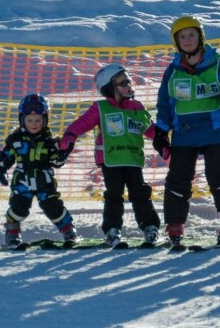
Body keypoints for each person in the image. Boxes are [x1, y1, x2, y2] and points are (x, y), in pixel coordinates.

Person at [155, 16, 220, 246]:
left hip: (215, 129)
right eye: (182, 37)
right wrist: (161, 130)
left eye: (191, 35)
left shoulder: (219, 63)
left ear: (201, 37)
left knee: (218, 175)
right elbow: (165, 102)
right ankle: (174, 226)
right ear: (176, 42)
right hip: (184, 132)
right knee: (178, 178)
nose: (187, 40)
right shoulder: (173, 70)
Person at [58, 64, 164, 248]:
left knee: (140, 194)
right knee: (114, 195)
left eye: (128, 80)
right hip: (111, 160)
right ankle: (112, 230)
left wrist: (165, 144)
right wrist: (70, 136)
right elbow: (83, 123)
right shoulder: (101, 108)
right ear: (109, 88)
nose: (128, 85)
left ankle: (151, 227)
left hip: (132, 160)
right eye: (122, 83)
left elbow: (151, 130)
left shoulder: (137, 108)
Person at [0, 93, 77, 248]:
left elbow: (56, 162)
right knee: (19, 208)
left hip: (44, 180)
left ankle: (69, 232)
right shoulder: (15, 140)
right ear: (22, 120)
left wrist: (63, 153)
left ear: (44, 120)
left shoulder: (49, 141)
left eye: (38, 120)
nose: (34, 124)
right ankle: (12, 234)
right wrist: (1, 168)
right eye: (30, 120)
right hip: (22, 181)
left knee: (53, 207)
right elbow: (6, 156)